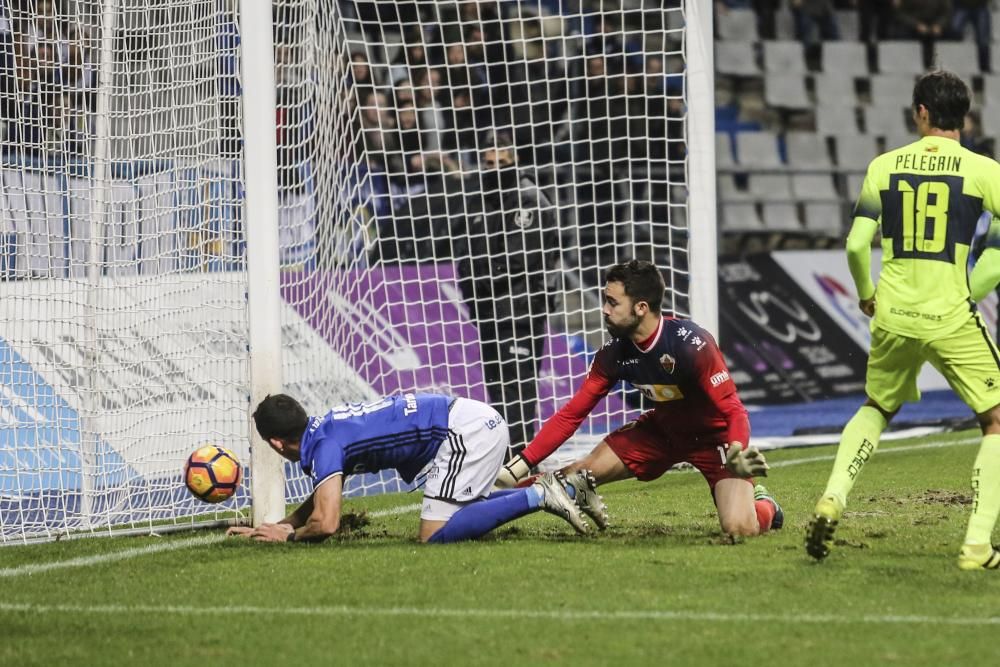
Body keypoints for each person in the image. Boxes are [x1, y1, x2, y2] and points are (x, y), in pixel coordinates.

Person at [805, 70, 1000, 570]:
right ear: (966, 116)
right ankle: (978, 544)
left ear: (921, 113)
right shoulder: (984, 171)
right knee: (996, 420)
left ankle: (832, 498)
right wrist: (970, 290)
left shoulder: (884, 166)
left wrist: (867, 296)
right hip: (950, 314)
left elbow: (853, 244)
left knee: (876, 406)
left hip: (892, 313)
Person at [495, 260, 783, 538]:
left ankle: (766, 504)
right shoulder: (613, 354)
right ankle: (494, 499)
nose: (605, 310)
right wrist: (517, 466)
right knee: (575, 475)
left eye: (612, 302)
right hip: (660, 433)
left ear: (641, 307)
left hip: (714, 439)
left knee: (740, 528)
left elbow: (733, 409)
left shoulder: (691, 344)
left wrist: (735, 451)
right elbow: (572, 415)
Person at [227, 392, 606, 544]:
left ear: (277, 443)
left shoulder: (324, 446)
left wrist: (289, 538)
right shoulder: (326, 430)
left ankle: (542, 493)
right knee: (460, 515)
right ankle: (570, 489)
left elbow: (327, 523)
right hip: (472, 420)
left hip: (463, 432)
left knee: (433, 534)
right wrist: (287, 523)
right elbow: (324, 497)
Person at [454, 129, 557, 462]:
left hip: (522, 309)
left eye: (501, 159)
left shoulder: (529, 199)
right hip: (488, 311)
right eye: (488, 159)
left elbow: (522, 257)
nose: (493, 165)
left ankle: (523, 455)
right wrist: (473, 295)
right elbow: (464, 254)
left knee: (519, 385)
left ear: (514, 158)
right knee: (497, 386)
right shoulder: (477, 201)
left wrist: (483, 279)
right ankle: (502, 451)